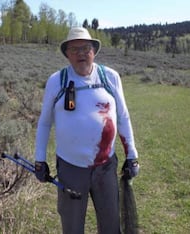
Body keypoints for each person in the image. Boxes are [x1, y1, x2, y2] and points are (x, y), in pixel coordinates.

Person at [34, 27, 139, 234]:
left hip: (106, 166)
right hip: (70, 167)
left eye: (85, 48)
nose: (81, 53)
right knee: (72, 227)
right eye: (74, 49)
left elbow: (123, 117)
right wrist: (39, 159)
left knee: (111, 225)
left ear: (94, 51)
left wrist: (132, 155)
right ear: (67, 54)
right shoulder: (57, 81)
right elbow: (45, 122)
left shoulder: (110, 77)